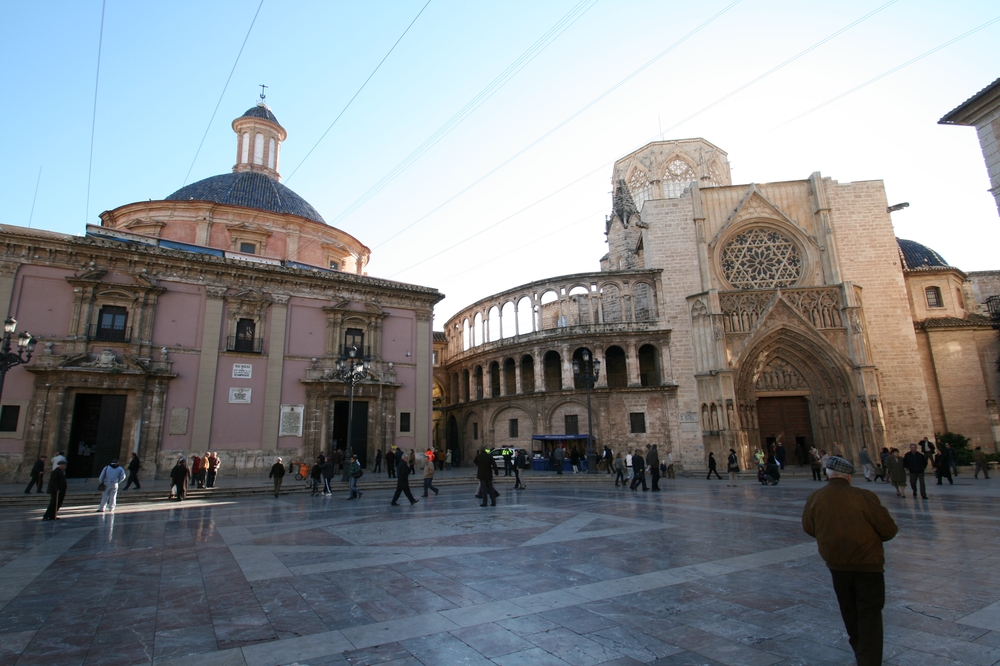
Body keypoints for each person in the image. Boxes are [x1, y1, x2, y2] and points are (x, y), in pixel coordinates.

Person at [802, 456, 898, 666]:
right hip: (868, 564)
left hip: (837, 564)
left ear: (828, 474)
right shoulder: (864, 497)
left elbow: (809, 528)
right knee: (869, 612)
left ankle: (860, 651)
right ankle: (868, 660)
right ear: (848, 476)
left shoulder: (816, 497)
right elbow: (889, 530)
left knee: (849, 610)